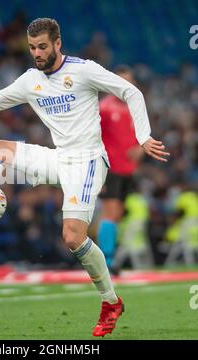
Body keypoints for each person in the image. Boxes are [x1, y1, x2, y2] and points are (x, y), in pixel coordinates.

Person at [0, 18, 170, 337]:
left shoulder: (83, 70)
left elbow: (131, 91)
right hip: (58, 159)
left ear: (57, 43)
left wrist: (143, 136)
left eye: (42, 46)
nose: (37, 53)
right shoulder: (30, 80)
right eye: (32, 48)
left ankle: (111, 302)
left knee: (72, 237)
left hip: (88, 161)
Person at [97, 65, 145, 272]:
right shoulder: (104, 108)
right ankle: (105, 261)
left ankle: (108, 258)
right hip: (111, 168)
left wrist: (140, 149)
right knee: (110, 211)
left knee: (116, 215)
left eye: (128, 81)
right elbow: (92, 136)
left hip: (127, 170)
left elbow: (141, 137)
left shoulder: (135, 107)